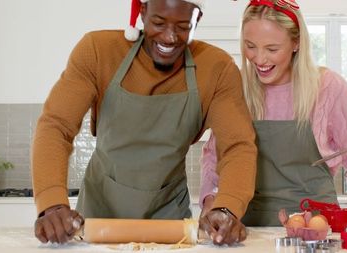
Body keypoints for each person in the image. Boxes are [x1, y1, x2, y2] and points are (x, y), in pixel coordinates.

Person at [31, 0, 257, 246]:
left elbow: (237, 146)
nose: (170, 37)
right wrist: (51, 202)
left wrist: (228, 207)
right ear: (142, 12)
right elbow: (56, 126)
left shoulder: (217, 68)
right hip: (98, 216)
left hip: (169, 220)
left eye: (183, 26)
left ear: (197, 20)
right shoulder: (98, 51)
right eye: (159, 23)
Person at [199, 0, 347, 226]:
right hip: (250, 225)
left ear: (296, 43)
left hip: (316, 225)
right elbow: (215, 155)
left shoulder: (328, 87)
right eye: (250, 46)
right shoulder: (236, 87)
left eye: (272, 49)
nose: (259, 59)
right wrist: (211, 203)